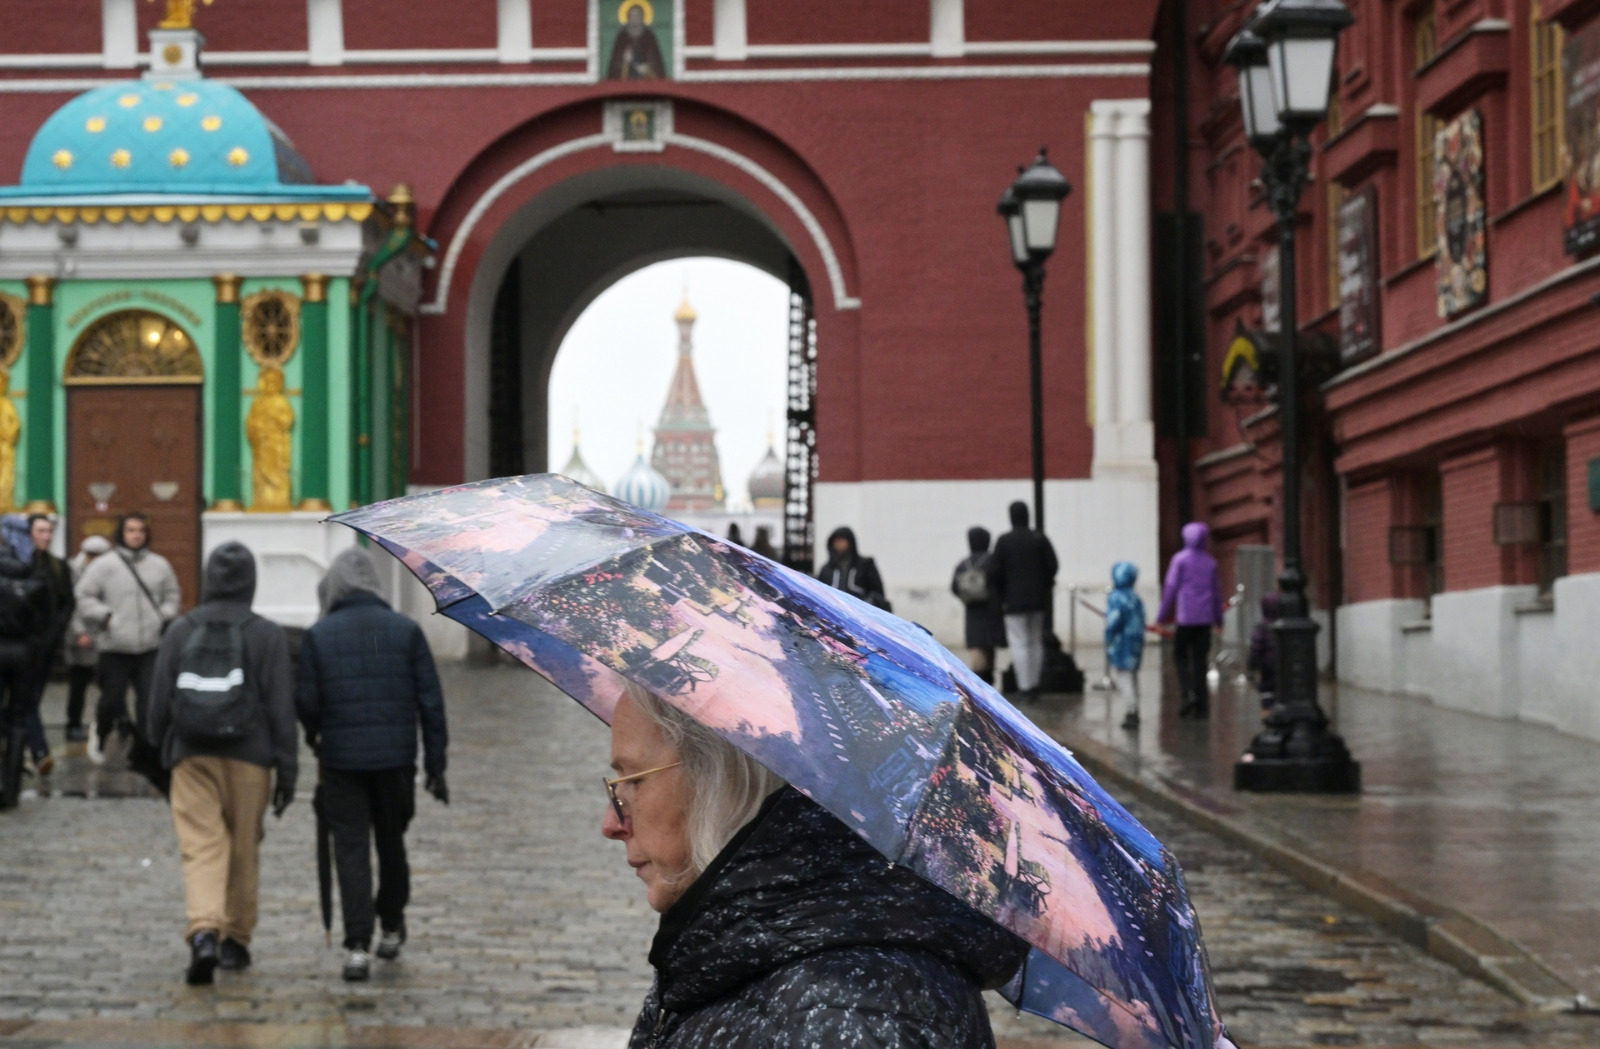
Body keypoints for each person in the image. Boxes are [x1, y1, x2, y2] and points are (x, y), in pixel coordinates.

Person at [602, 681, 1028, 1047]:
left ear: (726, 779)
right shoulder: (726, 940)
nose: (612, 823)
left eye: (634, 781)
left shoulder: (854, 1014)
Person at [147, 542, 297, 986]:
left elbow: (157, 702)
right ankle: (235, 939)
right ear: (251, 582)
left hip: (192, 754)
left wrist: (162, 749)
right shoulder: (266, 634)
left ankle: (204, 932)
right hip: (250, 757)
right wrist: (287, 768)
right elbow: (280, 708)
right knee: (243, 848)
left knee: (201, 847)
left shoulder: (180, 630)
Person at [296, 547, 448, 983]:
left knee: (351, 850)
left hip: (342, 760)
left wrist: (316, 734)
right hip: (396, 761)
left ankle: (357, 944)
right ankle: (392, 923)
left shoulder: (320, 635)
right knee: (391, 842)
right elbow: (431, 703)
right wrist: (435, 764)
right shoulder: (406, 631)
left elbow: (306, 702)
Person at [75, 512, 180, 764]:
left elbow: (172, 595)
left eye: (140, 530)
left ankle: (148, 749)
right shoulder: (104, 565)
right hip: (115, 647)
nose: (136, 535)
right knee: (111, 701)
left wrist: (162, 616)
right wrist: (106, 617)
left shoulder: (159, 565)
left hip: (149, 647)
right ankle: (100, 734)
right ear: (122, 533)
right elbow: (84, 596)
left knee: (149, 703)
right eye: (131, 530)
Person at [0, 520, 53, 799]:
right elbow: (46, 619)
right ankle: (11, 787)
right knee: (20, 716)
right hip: (25, 656)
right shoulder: (34, 580)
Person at [988, 501, 1058, 704]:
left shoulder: (1004, 541)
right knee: (1036, 641)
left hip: (1013, 602)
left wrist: (1002, 593)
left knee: (1019, 643)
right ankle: (1035, 685)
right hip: (1038, 601)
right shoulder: (1039, 538)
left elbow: (994, 572)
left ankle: (1025, 687)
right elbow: (1053, 565)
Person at [1157, 521, 1224, 719]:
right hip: (1205, 620)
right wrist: (1219, 620)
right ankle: (1202, 705)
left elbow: (1170, 589)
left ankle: (1188, 692)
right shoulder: (1210, 562)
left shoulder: (1180, 560)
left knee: (1179, 656)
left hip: (1186, 618)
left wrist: (1161, 616)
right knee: (1200, 661)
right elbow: (1217, 593)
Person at [27, 515, 75, 758]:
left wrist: (56, 630)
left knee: (31, 699)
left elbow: (68, 602)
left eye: (49, 531)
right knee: (26, 699)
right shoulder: (20, 563)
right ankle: (39, 752)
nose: (46, 536)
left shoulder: (58, 566)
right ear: (29, 533)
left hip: (47, 646)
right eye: (40, 531)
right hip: (23, 644)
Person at [63, 535, 112, 742]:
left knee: (110, 683)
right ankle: (73, 724)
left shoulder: (110, 572)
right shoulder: (74, 573)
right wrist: (79, 632)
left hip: (103, 635)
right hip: (80, 637)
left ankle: (115, 721)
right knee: (79, 684)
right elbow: (71, 606)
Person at [951, 526, 1005, 686]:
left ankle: (978, 684)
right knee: (990, 648)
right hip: (992, 610)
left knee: (976, 648)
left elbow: (954, 587)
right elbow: (1003, 583)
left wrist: (968, 597)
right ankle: (989, 681)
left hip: (972, 612)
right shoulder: (993, 561)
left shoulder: (963, 564)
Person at [1104, 562, 1147, 731]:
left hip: (1121, 643)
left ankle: (1131, 711)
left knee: (1124, 677)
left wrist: (1108, 641)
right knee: (1133, 676)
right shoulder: (1136, 597)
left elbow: (1112, 622)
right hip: (1136, 641)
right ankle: (1135, 707)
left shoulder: (1116, 597)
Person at [817, 526, 889, 610]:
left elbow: (878, 593)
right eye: (836, 541)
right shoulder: (826, 569)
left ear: (850, 542)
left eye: (842, 540)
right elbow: (819, 594)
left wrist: (866, 604)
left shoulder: (865, 565)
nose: (839, 543)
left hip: (862, 614)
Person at [1246, 591, 1282, 714]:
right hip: (1282, 667)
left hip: (1267, 667)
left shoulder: (1261, 627)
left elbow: (1256, 648)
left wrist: (1251, 667)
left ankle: (1267, 716)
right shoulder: (1282, 626)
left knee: (1267, 693)